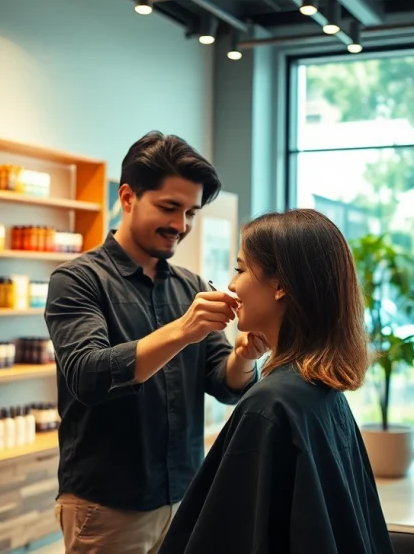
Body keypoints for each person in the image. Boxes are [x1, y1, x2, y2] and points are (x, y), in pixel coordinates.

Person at [44, 132, 269, 554]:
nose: (180, 226)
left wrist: (243, 356)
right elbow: (88, 375)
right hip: (107, 505)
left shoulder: (190, 285)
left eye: (191, 213)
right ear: (128, 197)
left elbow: (224, 384)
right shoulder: (77, 280)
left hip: (185, 495)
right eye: (169, 207)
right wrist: (181, 330)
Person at [162, 209, 394, 554]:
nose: (231, 285)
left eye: (240, 270)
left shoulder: (270, 404)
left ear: (281, 285)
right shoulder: (319, 390)